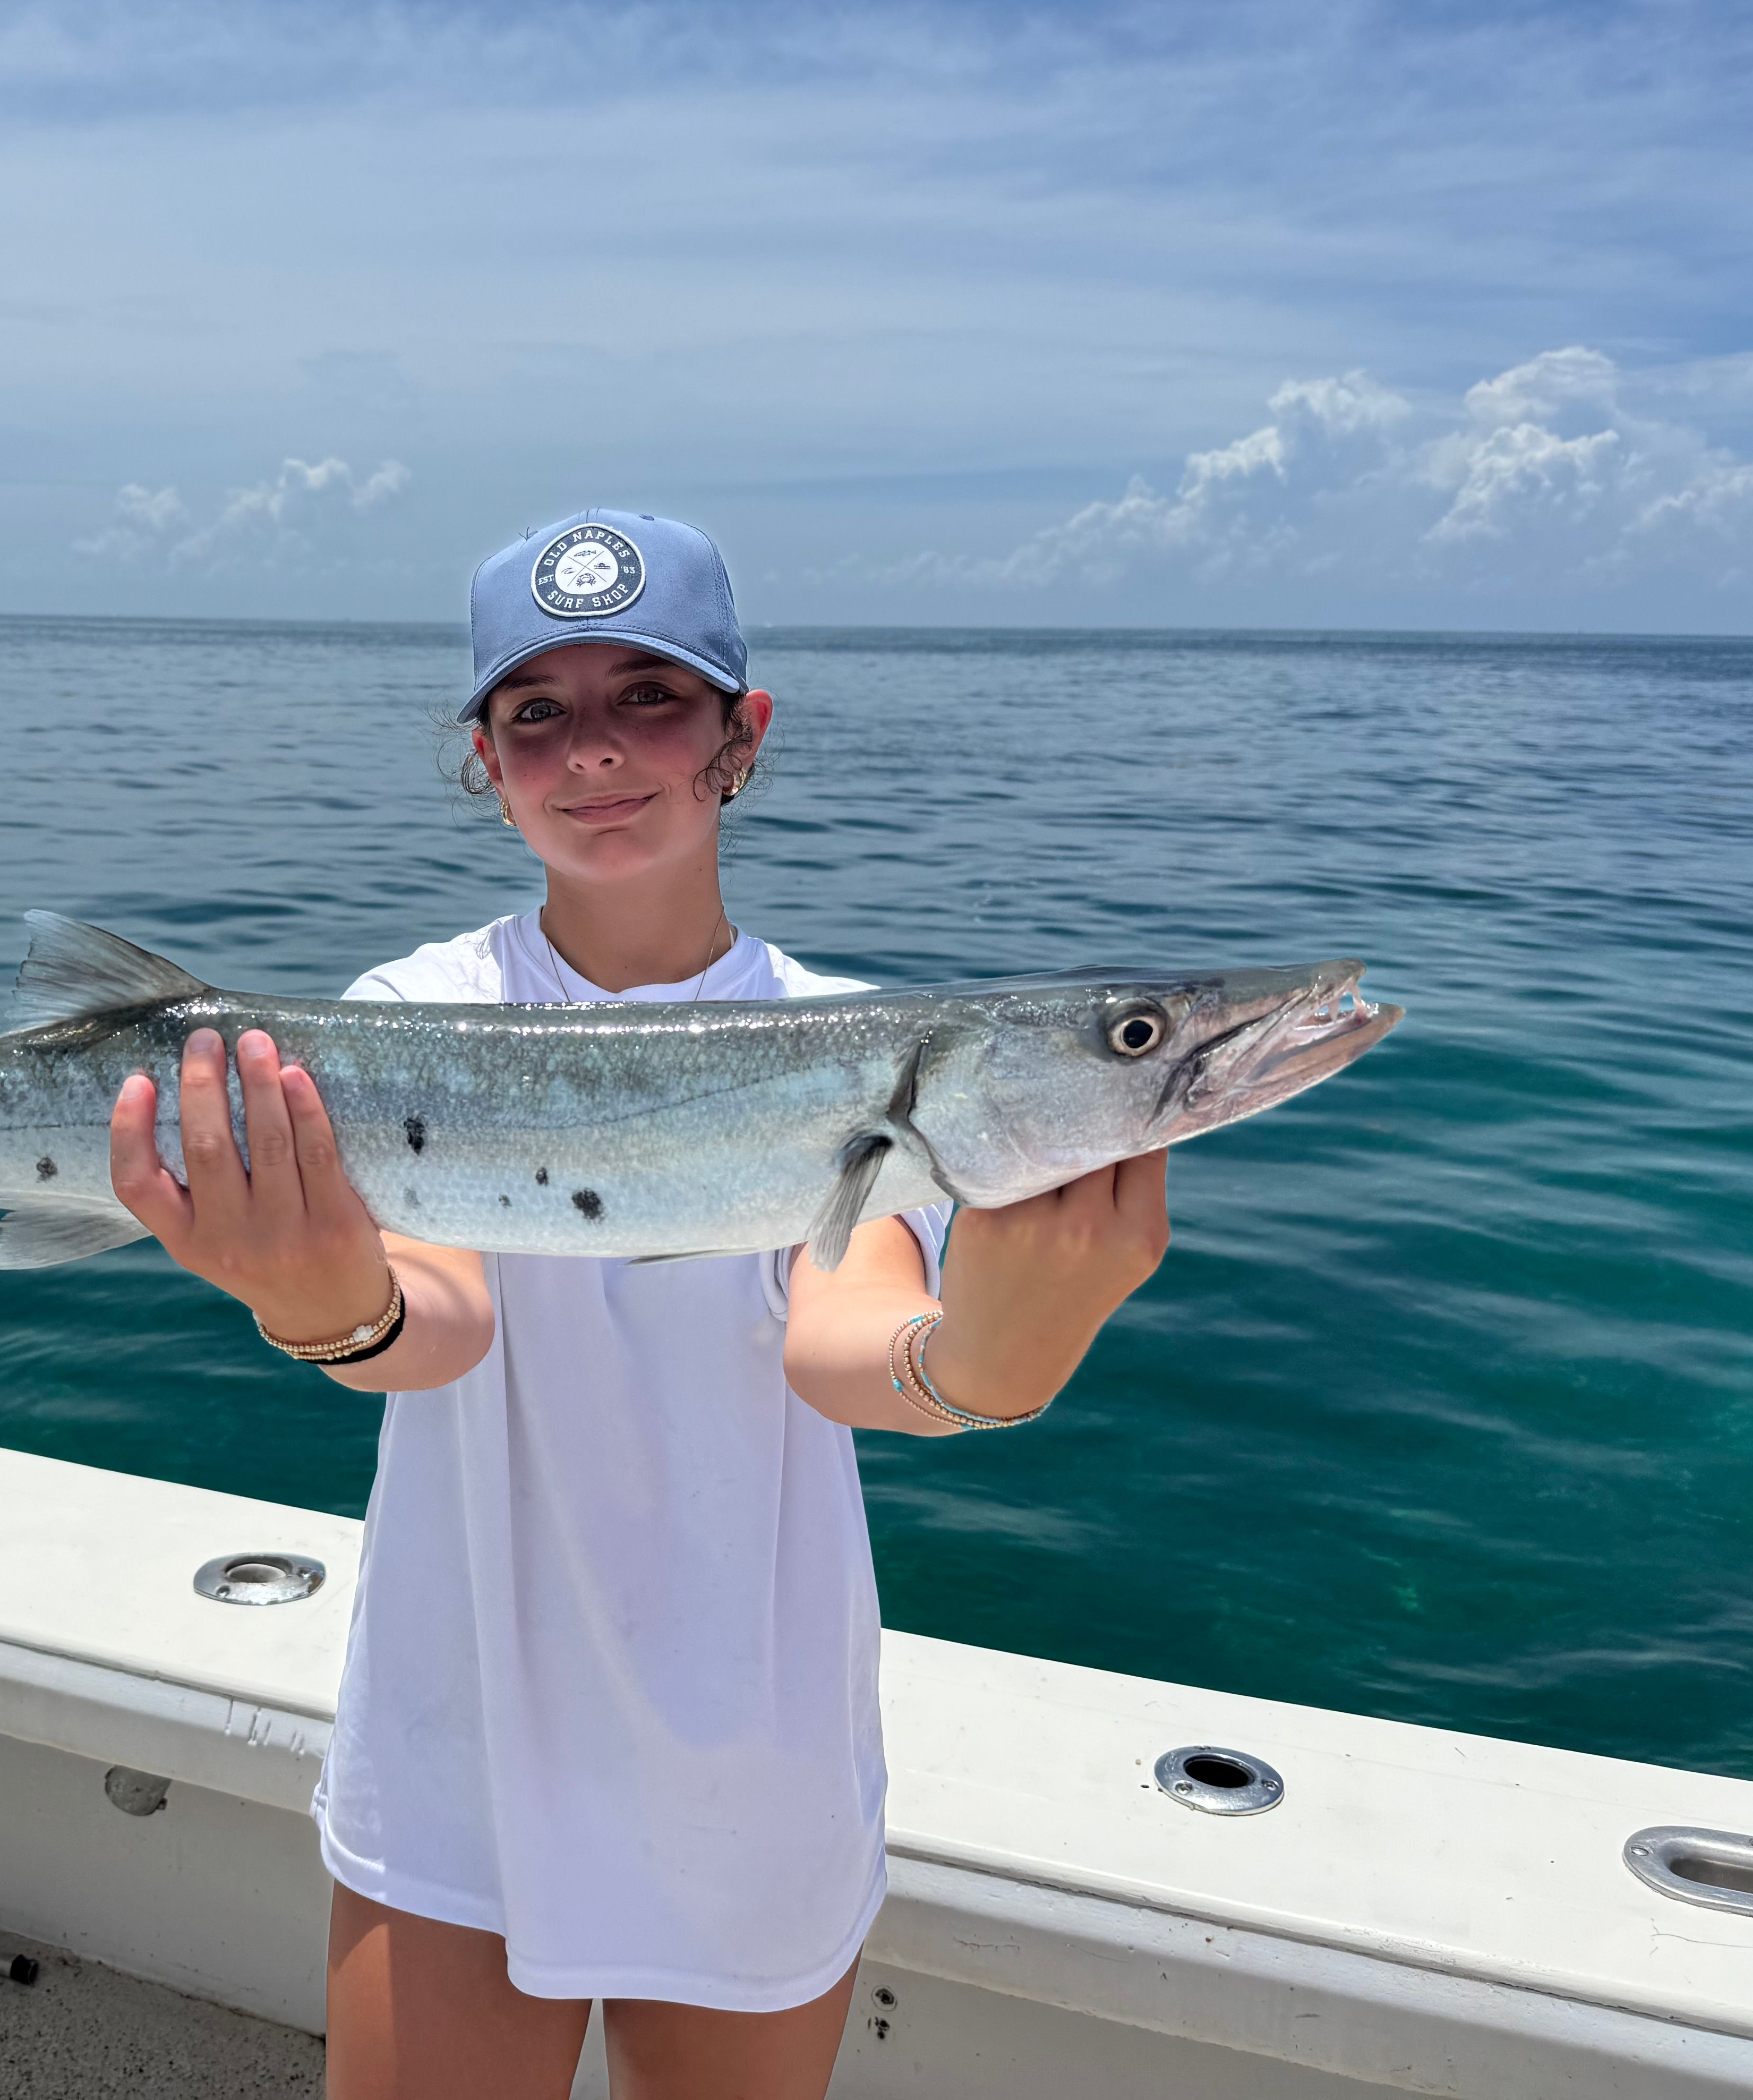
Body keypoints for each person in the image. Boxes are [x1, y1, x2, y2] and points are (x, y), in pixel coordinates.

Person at [108, 511, 1169, 2100]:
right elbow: (440, 1315)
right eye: (539, 711)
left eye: (649, 696)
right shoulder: (416, 1016)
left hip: (756, 1761)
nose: (594, 751)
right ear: (486, 756)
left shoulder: (848, 1039)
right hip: (455, 1730)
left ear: (744, 732)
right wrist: (330, 1310)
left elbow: (839, 1337)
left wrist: (992, 1360)